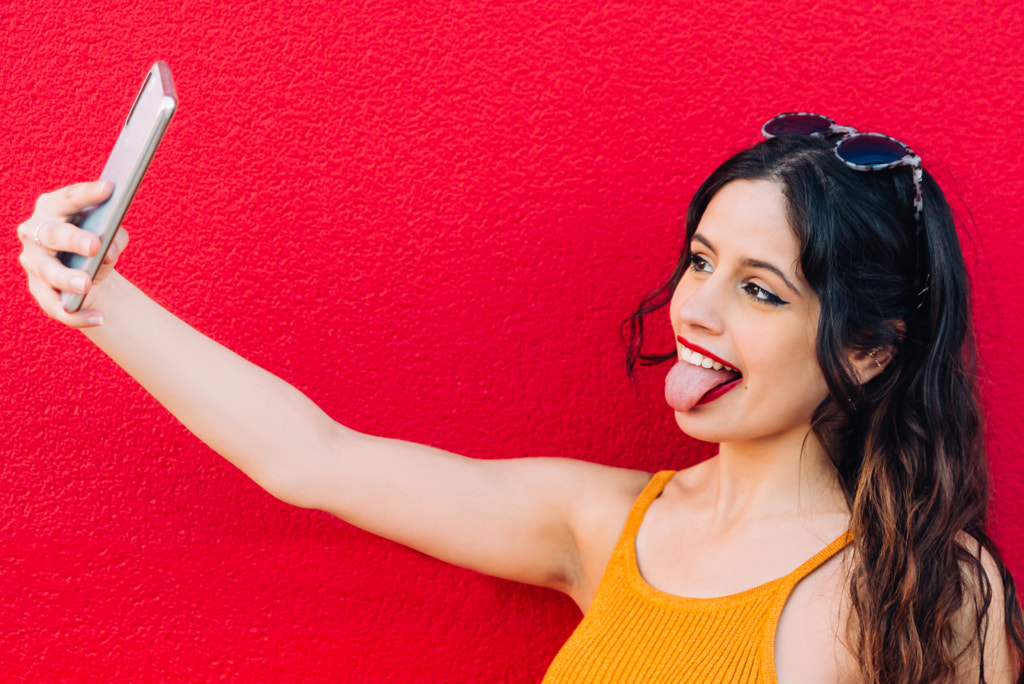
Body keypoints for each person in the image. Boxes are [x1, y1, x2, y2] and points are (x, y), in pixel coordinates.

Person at [16, 112, 1024, 683]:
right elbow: (312, 458)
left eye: (759, 290)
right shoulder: (603, 527)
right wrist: (97, 296)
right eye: (699, 261)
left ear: (867, 352)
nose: (696, 309)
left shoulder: (930, 586)